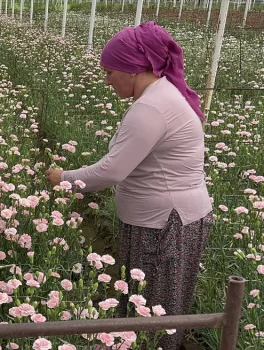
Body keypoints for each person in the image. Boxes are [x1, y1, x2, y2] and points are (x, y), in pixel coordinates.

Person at [45, 21, 213, 350]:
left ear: (133, 69)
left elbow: (112, 170)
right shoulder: (163, 95)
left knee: (153, 312)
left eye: (110, 72)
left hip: (166, 226)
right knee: (148, 304)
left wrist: (63, 179)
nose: (107, 80)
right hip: (166, 221)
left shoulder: (151, 107)